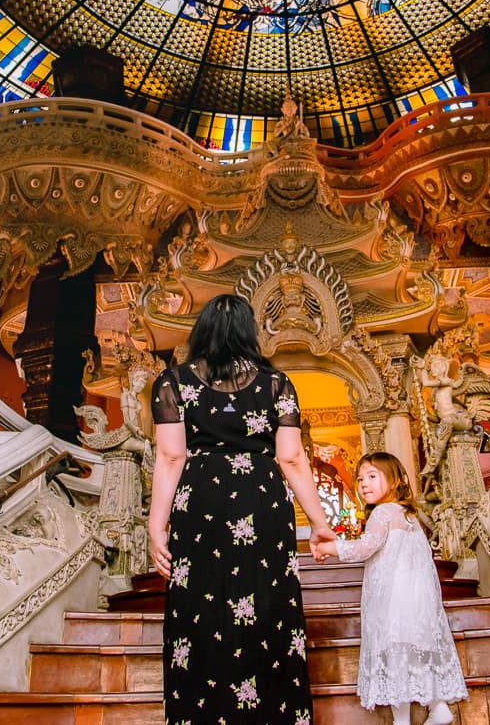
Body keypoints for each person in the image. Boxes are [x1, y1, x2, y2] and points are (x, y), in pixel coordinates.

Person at [148, 293, 335, 723]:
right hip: (261, 497)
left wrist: (156, 525)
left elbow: (171, 457)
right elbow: (292, 458)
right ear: (251, 333)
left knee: (201, 609)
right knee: (267, 607)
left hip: (201, 503)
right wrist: (320, 523)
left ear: (201, 333)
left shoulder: (172, 383)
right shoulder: (277, 384)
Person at [312, 452, 467, 725]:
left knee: (396, 657)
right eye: (360, 479)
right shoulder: (409, 516)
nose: (363, 484)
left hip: (393, 600)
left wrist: (330, 547)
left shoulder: (383, 513)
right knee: (415, 654)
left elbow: (364, 548)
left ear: (395, 481)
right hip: (418, 601)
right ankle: (438, 705)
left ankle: (401, 721)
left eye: (372, 477)